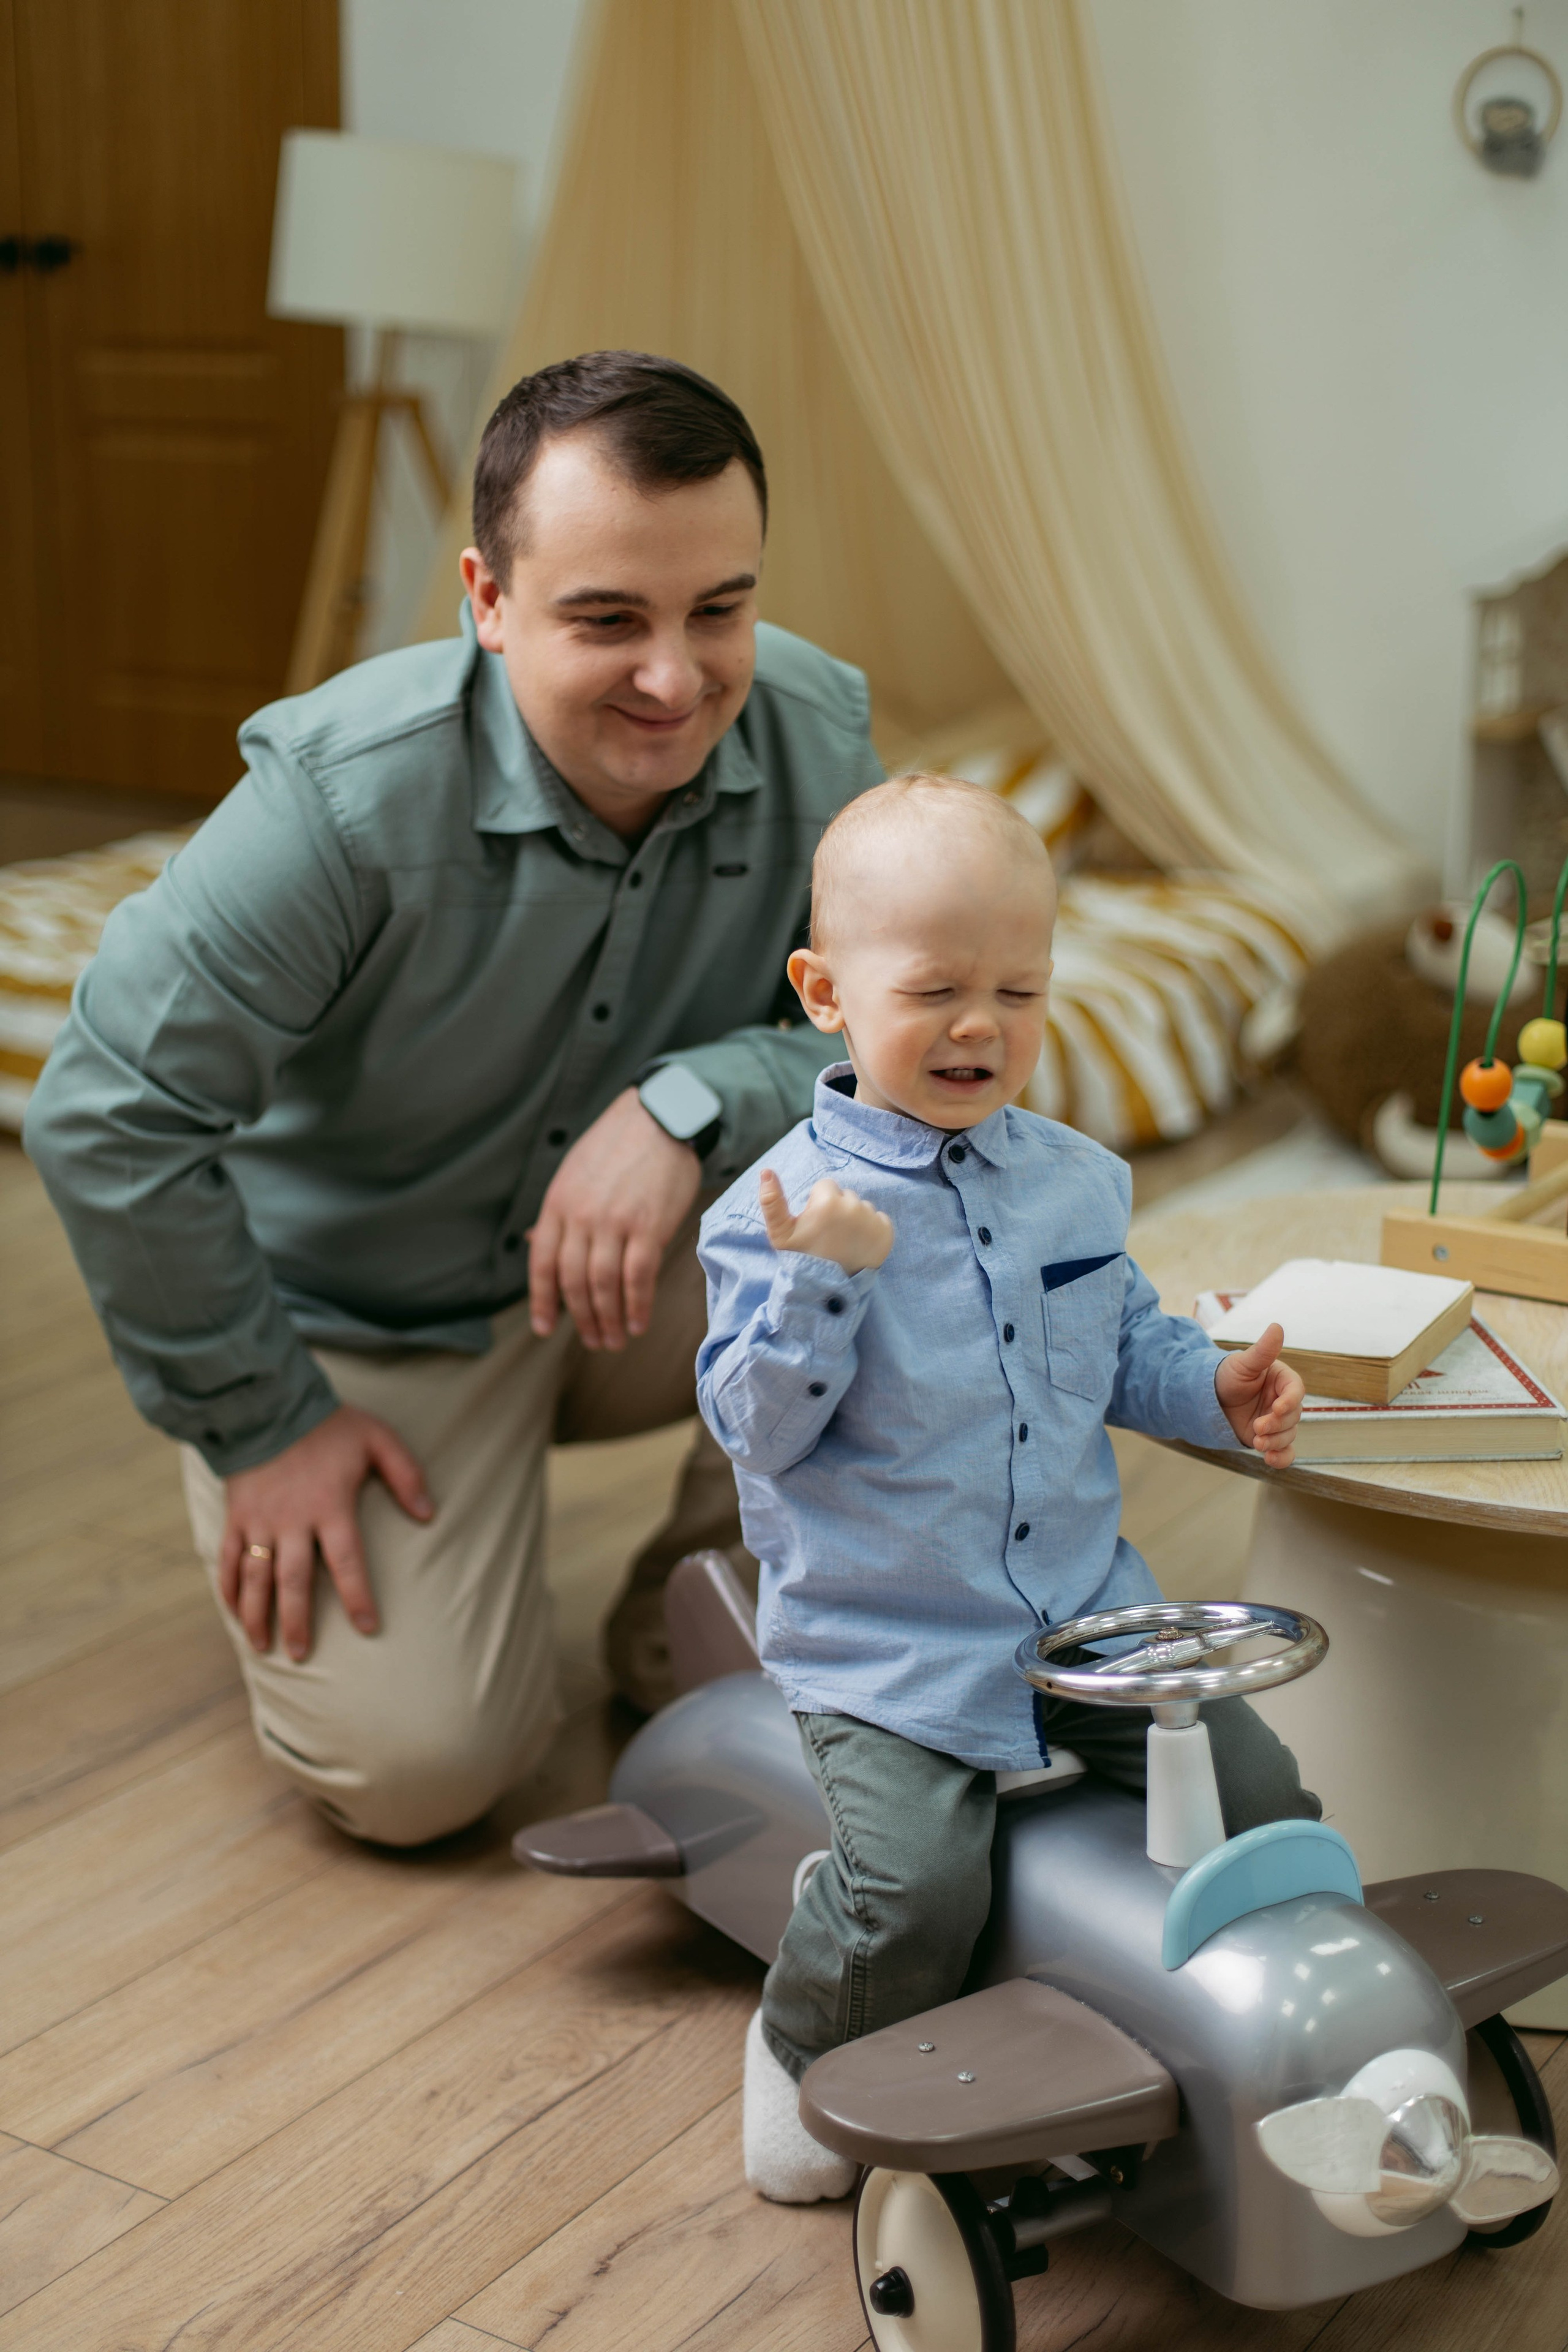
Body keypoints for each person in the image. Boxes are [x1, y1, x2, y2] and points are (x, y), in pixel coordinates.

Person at [24, 350, 880, 1847]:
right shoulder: (339, 798)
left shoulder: (818, 731)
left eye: (718, 610)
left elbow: (888, 1044)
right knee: (421, 1777)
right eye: (606, 619)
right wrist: (262, 1424)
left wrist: (687, 1100)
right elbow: (108, 1111)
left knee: (902, 1218)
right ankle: (311, 1484)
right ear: (486, 599)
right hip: (367, 1317)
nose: (675, 678)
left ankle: (695, 1615)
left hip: (636, 1283)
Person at [693, 774, 1313, 2203]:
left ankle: (1203, 2047)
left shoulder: (1075, 1181)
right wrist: (824, 1283)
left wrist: (1209, 1391)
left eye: (1017, 992)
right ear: (824, 993)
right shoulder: (774, 1213)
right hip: (888, 1646)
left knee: (1260, 1797)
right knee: (916, 1888)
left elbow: (1122, 1344)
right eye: (933, 991)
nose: (979, 1026)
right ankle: (800, 2037)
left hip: (1087, 1615)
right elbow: (753, 1432)